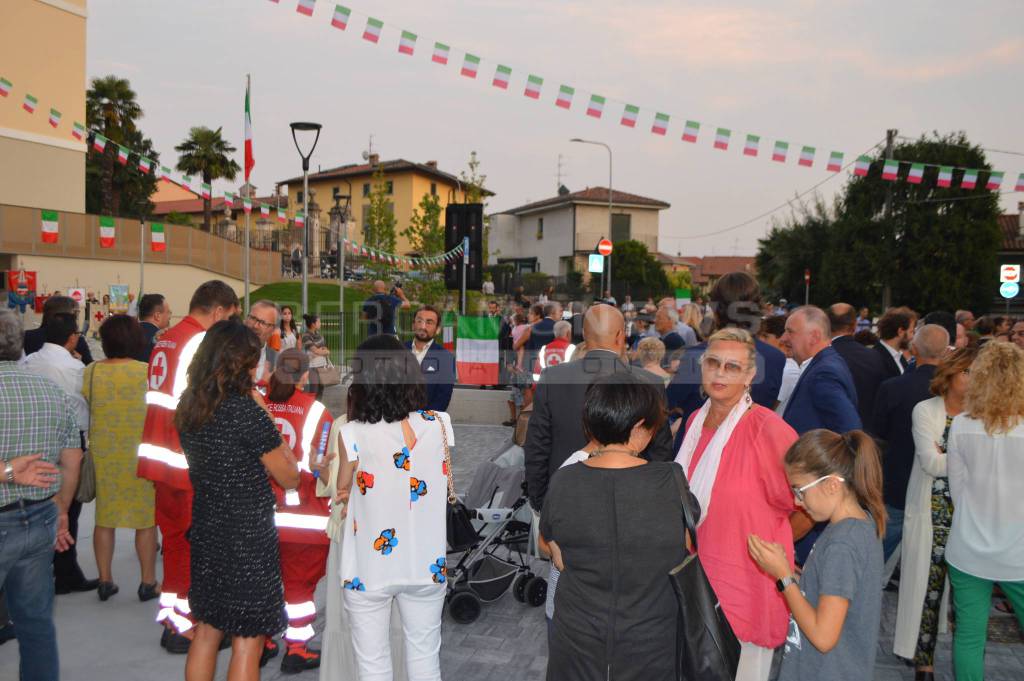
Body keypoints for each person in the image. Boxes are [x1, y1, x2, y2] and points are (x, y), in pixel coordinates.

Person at [539, 372, 698, 681]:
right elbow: (686, 547)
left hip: (577, 635)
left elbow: (548, 541)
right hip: (652, 637)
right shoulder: (671, 481)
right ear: (640, 427)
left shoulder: (565, 480)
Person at [176, 320, 299, 681]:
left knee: (209, 627)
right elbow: (288, 474)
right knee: (248, 636)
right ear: (237, 363)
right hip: (247, 534)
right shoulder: (244, 411)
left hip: (208, 526)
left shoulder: (189, 405)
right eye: (252, 361)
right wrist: (262, 410)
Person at [675, 328, 799, 680]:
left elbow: (805, 506)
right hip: (696, 579)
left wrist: (780, 557)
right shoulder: (694, 422)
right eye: (713, 363)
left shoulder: (768, 429)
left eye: (732, 366)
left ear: (750, 375)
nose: (719, 373)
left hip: (747, 583)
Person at [336, 335, 451, 681]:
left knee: (372, 663)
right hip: (427, 563)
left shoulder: (351, 432)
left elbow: (341, 492)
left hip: (369, 565)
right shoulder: (441, 424)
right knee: (425, 656)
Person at [137, 279, 240, 653]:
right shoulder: (200, 341)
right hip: (185, 457)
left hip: (159, 451)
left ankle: (174, 619)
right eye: (228, 319)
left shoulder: (166, 337)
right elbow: (208, 402)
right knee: (190, 545)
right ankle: (182, 625)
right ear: (216, 312)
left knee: (176, 542)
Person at [748, 429, 885, 681]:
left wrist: (784, 577)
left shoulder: (842, 544)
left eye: (800, 491)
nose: (797, 503)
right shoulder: (857, 524)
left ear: (832, 484)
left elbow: (823, 637)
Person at [524, 304, 675, 513]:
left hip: (565, 500)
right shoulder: (650, 382)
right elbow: (661, 451)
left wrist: (542, 500)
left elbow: (537, 445)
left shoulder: (553, 378)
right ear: (620, 336)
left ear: (585, 335)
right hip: (630, 503)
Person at [0, 308, 83, 681]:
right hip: (40, 517)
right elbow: (71, 458)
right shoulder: (51, 390)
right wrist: (61, 509)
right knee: (36, 625)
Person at [893, 346, 977, 677]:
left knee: (965, 596)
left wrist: (952, 455)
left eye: (976, 374)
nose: (972, 380)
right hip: (932, 513)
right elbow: (930, 462)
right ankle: (923, 663)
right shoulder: (926, 410)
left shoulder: (982, 414)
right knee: (929, 590)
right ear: (950, 375)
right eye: (967, 372)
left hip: (971, 516)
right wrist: (971, 457)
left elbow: (949, 461)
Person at [944, 342, 1024, 681]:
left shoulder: (961, 425)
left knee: (969, 638)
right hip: (1019, 554)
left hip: (968, 549)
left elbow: (957, 492)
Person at [263, 349, 334, 673]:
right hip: (303, 516)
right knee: (300, 588)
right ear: (305, 376)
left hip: (261, 513)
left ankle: (261, 640)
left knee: (263, 581)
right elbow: (326, 468)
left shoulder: (257, 402)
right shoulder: (316, 411)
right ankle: (296, 647)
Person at [20, 312, 98, 595]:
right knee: (68, 508)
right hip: (69, 438)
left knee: (36, 501)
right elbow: (86, 404)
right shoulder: (77, 369)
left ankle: (41, 569)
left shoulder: (30, 361)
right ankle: (66, 572)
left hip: (34, 438)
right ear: (72, 337)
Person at [83, 315, 158, 602]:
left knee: (105, 519)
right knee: (145, 521)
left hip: (104, 453)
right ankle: (147, 582)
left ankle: (105, 579)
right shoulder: (146, 372)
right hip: (140, 453)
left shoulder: (91, 371)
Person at [779, 306, 861, 563]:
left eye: (790, 331)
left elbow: (851, 430)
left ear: (814, 336)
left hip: (815, 496)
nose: (784, 338)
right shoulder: (825, 364)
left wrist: (822, 481)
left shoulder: (824, 372)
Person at [872, 324, 949, 566]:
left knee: (876, 557)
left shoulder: (893, 388)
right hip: (939, 489)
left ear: (914, 349)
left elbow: (876, 437)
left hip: (895, 484)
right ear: (946, 351)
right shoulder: (954, 391)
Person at [668, 272, 785, 427]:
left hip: (700, 445)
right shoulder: (775, 358)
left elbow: (669, 403)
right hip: (750, 444)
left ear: (716, 310)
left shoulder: (695, 356)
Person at [828, 303, 888, 429]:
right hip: (866, 432)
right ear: (855, 325)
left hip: (831, 433)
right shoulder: (874, 356)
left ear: (827, 325)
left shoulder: (823, 356)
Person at [406, 305, 456, 412]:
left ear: (437, 329)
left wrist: (425, 420)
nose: (423, 326)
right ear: (413, 325)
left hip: (427, 423)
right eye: (419, 321)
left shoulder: (446, 358)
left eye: (429, 322)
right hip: (396, 420)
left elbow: (443, 397)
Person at [23, 294, 94, 365]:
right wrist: (79, 361)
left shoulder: (26, 336)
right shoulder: (75, 339)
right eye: (76, 313)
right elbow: (90, 368)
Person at [758, 314, 801, 415]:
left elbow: (768, 406)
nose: (761, 340)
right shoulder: (790, 364)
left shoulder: (788, 368)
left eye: (765, 336)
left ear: (781, 338)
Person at [875, 307, 918, 378]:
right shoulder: (876, 358)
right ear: (900, 331)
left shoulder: (900, 357)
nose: (913, 337)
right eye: (912, 332)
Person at [245, 300, 279, 385]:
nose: (255, 326)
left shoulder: (276, 361)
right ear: (245, 319)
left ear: (273, 330)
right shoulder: (226, 350)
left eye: (263, 323)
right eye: (253, 318)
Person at [137, 293, 172, 363]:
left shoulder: (128, 334)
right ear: (157, 316)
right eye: (168, 312)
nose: (169, 317)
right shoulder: (162, 339)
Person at [302, 314, 331, 401]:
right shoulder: (306, 336)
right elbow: (315, 350)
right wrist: (323, 351)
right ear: (313, 324)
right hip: (312, 366)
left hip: (321, 365)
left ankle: (317, 407)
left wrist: (323, 351)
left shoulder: (319, 335)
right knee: (314, 388)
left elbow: (324, 348)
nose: (320, 323)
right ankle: (310, 407)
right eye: (319, 322)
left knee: (321, 388)